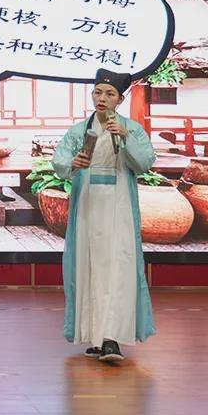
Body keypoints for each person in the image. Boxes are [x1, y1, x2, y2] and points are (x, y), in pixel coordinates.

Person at [52, 69, 157, 364]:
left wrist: (126, 138)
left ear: (120, 100)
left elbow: (145, 163)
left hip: (119, 208)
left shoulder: (132, 129)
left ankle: (112, 338)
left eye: (110, 94)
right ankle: (96, 336)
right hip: (88, 207)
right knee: (89, 269)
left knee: (118, 269)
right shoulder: (79, 131)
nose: (102, 98)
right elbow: (59, 162)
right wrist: (73, 163)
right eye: (98, 92)